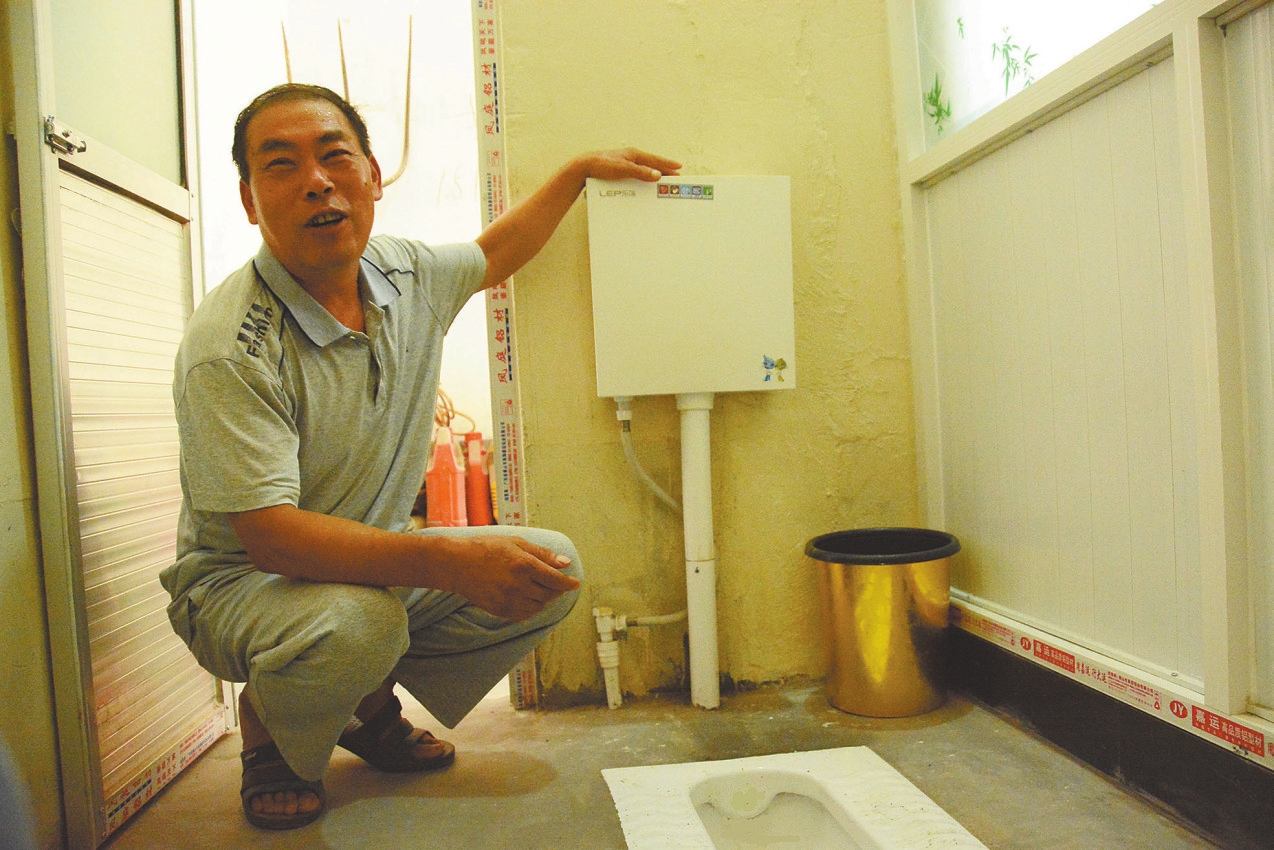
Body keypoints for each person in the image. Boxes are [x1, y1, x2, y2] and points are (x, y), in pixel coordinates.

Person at [159, 82, 680, 830]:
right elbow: (268, 537)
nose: (317, 181)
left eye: (335, 155)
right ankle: (271, 724)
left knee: (549, 569)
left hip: (364, 570)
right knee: (361, 623)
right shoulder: (230, 348)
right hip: (244, 585)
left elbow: (493, 255)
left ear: (372, 176)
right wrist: (444, 559)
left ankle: (363, 705)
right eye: (281, 165)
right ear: (248, 200)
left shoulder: (402, 273)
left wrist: (575, 173)